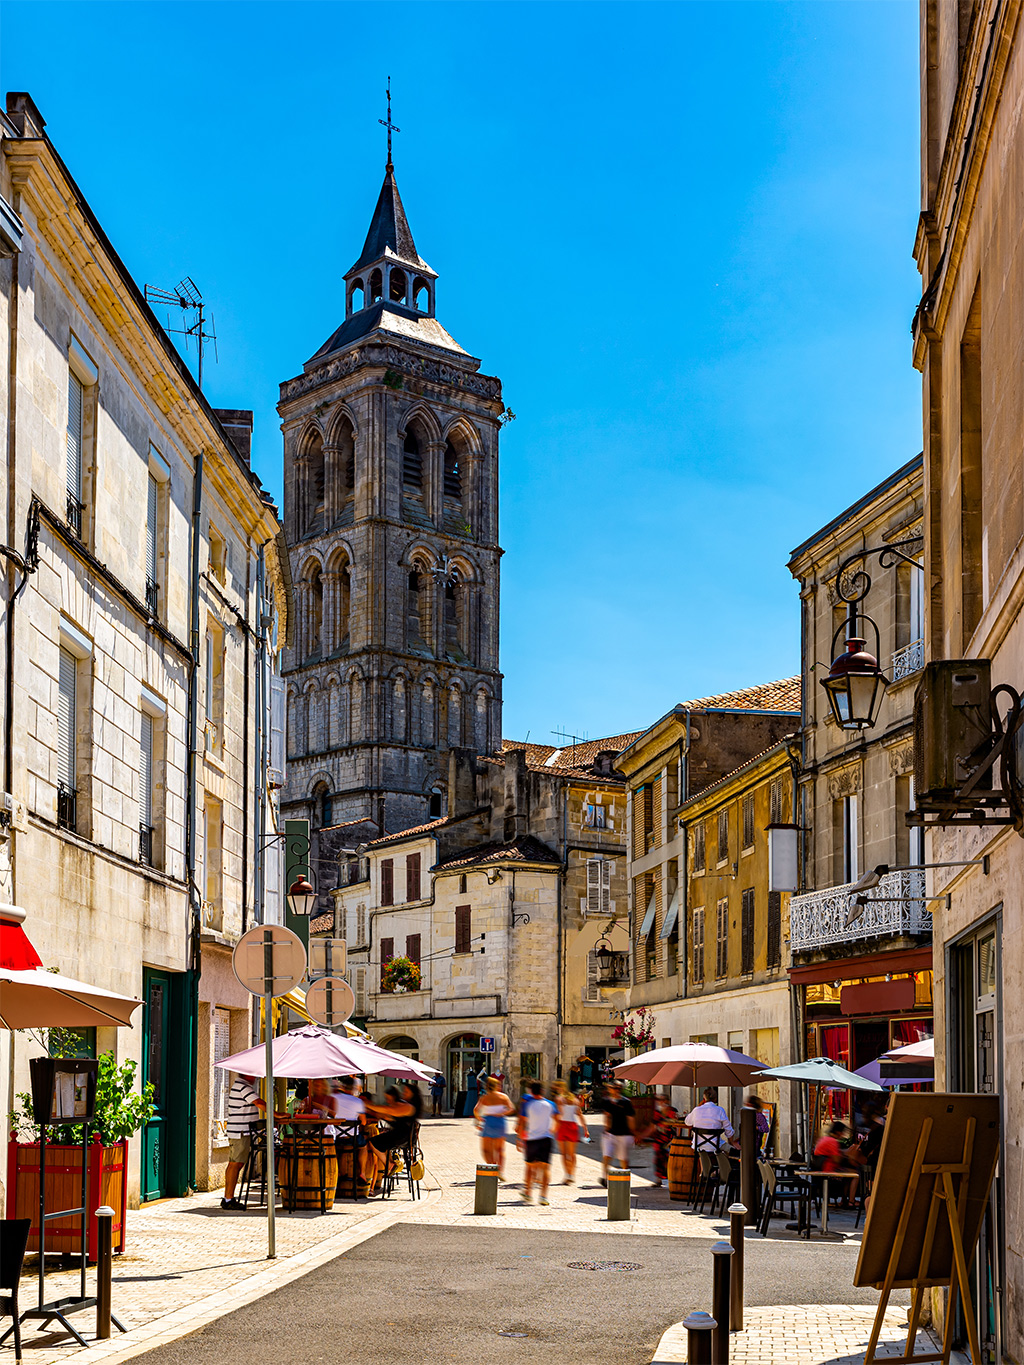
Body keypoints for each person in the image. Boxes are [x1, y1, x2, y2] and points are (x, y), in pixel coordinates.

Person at [221, 1072, 266, 1210]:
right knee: (235, 1164)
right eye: (254, 1075)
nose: (256, 1078)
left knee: (235, 1164)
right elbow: (258, 1102)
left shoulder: (241, 1085)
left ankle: (228, 1197)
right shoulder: (242, 1087)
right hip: (240, 1132)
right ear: (247, 1075)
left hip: (240, 1132)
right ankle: (228, 1199)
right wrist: (274, 1113)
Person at [363, 1085, 418, 1193]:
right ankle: (392, 1165)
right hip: (405, 1137)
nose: (387, 1101)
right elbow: (386, 1116)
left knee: (373, 1142)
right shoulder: (398, 1104)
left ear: (393, 1097)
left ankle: (390, 1165)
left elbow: (387, 1114)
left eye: (388, 1098)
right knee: (381, 1142)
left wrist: (368, 1107)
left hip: (401, 1136)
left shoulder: (398, 1105)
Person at [516, 1081, 556, 1204]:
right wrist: (552, 1130)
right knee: (546, 1168)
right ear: (542, 1091)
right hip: (546, 1138)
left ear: (531, 1092)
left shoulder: (528, 1105)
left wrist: (519, 1138)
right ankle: (543, 1195)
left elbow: (522, 1122)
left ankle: (528, 1192)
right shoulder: (551, 1104)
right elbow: (557, 1120)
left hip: (532, 1139)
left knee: (529, 1167)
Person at [332, 1075, 370, 1191]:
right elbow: (363, 1122)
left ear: (343, 1086)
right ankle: (362, 1173)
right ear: (354, 1088)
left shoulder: (334, 1098)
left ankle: (336, 1172)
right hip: (352, 1138)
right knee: (363, 1147)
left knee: (335, 1149)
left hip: (335, 1137)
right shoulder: (358, 1101)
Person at [474, 1075, 515, 1178]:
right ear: (497, 1086)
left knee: (486, 1150)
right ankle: (500, 1170)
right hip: (500, 1122)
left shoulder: (485, 1098)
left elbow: (476, 1110)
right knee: (500, 1149)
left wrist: (480, 1120)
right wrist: (501, 1114)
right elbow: (511, 1108)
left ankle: (492, 1167)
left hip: (488, 1122)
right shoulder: (503, 1097)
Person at [813, 1120, 862, 1203]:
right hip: (829, 1171)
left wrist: (844, 1152)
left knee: (849, 1172)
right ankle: (851, 1200)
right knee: (855, 1174)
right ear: (838, 1132)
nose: (842, 1135)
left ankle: (844, 1200)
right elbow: (837, 1160)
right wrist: (848, 1155)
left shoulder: (824, 1139)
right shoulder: (832, 1142)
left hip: (821, 1170)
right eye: (842, 1133)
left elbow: (833, 1153)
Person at [599, 1079, 636, 1186]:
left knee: (623, 1159)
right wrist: (606, 1129)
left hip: (623, 1134)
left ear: (617, 1089)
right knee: (607, 1155)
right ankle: (604, 1177)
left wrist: (633, 1132)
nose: (610, 1089)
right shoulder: (607, 1101)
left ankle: (625, 1179)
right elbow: (607, 1116)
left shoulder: (626, 1102)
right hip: (610, 1134)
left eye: (612, 1088)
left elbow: (630, 1118)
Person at [684, 1087, 738, 1152]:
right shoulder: (720, 1110)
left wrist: (699, 1105)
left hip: (698, 1146)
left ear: (704, 1099)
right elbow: (728, 1130)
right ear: (716, 1099)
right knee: (732, 1151)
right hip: (715, 1146)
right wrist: (732, 1142)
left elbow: (687, 1122)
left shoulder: (696, 1110)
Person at [551, 1079, 584, 1185]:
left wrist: (553, 1127)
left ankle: (568, 1175)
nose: (555, 1089)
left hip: (562, 1125)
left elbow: (559, 1115)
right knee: (572, 1154)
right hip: (573, 1126)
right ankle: (571, 1174)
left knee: (564, 1153)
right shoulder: (574, 1099)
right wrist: (585, 1129)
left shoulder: (559, 1099)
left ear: (559, 1088)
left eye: (556, 1087)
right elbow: (579, 1114)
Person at [648, 1092, 678, 1187]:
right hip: (658, 1138)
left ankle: (672, 1178)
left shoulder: (672, 1111)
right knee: (658, 1159)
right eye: (659, 1100)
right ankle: (659, 1179)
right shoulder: (657, 1112)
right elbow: (653, 1126)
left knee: (669, 1159)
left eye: (662, 1100)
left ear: (666, 1101)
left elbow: (675, 1124)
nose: (660, 1102)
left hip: (669, 1138)